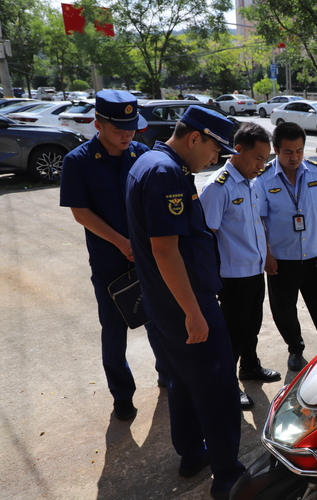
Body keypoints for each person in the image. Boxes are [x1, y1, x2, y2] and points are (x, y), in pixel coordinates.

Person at [125, 106, 245, 500]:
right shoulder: (166, 174)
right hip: (185, 303)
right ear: (196, 138)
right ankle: (229, 477)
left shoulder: (150, 162)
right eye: (215, 151)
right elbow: (165, 251)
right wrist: (194, 312)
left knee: (183, 382)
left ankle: (192, 454)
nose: (216, 160)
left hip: (165, 303)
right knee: (219, 389)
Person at [59, 89, 169, 421]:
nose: (127, 135)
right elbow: (80, 211)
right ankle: (122, 394)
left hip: (148, 259)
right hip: (110, 262)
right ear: (98, 124)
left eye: (132, 127)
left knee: (158, 321)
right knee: (114, 329)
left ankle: (168, 373)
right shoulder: (77, 161)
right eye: (119, 129)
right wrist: (122, 243)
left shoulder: (141, 153)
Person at [199, 122, 281, 412]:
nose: (262, 165)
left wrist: (267, 254)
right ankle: (226, 384)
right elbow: (206, 237)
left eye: (265, 159)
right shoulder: (217, 187)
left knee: (252, 326)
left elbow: (257, 222)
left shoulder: (251, 182)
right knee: (232, 334)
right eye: (258, 158)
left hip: (254, 270)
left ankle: (250, 366)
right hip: (232, 276)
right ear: (238, 150)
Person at [256, 122, 317, 371]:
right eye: (288, 152)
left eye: (299, 151)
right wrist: (267, 255)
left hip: (314, 256)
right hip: (281, 260)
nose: (294, 157)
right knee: (284, 311)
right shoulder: (263, 179)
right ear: (276, 150)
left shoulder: (315, 173)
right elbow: (259, 220)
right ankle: (295, 348)